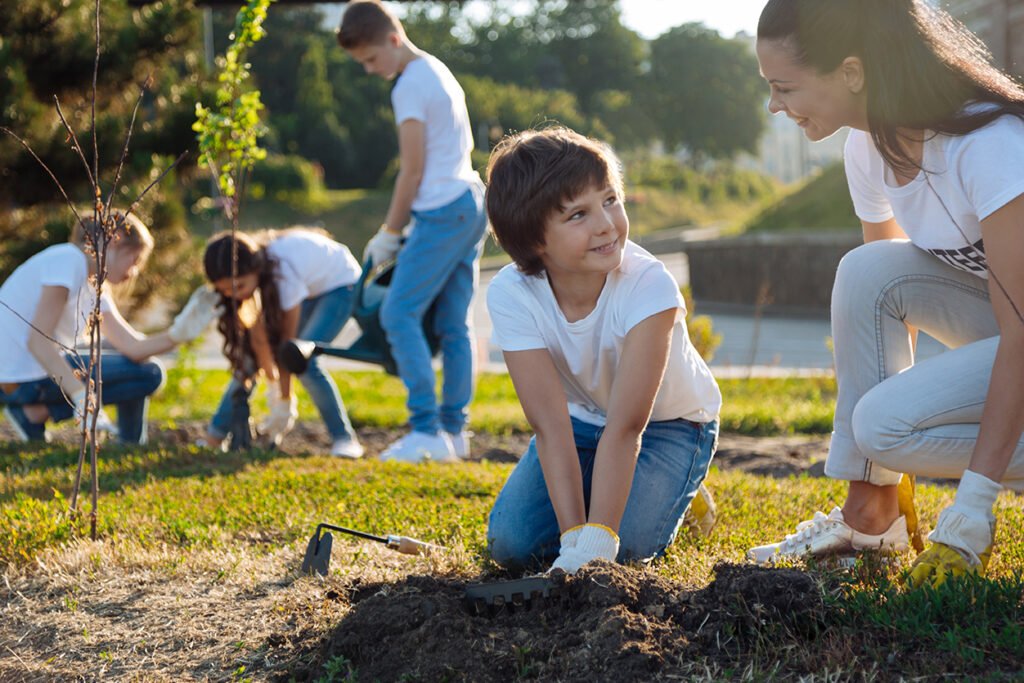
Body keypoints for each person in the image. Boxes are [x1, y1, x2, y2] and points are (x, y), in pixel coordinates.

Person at [747, 0, 1024, 587]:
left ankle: (936, 495)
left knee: (883, 425)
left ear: (852, 72)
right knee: (867, 268)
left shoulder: (990, 144)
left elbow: (1021, 328)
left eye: (784, 87)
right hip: (1006, 331)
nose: (775, 105)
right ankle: (872, 517)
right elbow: (883, 296)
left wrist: (971, 507)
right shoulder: (868, 149)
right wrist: (889, 448)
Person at [483, 127, 722, 573]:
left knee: (624, 550)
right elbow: (551, 426)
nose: (606, 224)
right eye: (578, 215)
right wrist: (574, 538)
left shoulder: (649, 286)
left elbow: (628, 426)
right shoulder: (512, 293)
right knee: (511, 546)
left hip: (670, 425)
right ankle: (607, 492)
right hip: (581, 423)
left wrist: (594, 545)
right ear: (534, 240)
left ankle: (682, 488)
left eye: (610, 200)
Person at [337, 0, 488, 463]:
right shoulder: (440, 71)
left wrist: (390, 231)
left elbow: (412, 170)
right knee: (453, 323)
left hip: (441, 210)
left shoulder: (409, 85)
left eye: (370, 59)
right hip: (471, 202)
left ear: (393, 40)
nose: (368, 70)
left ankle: (426, 432)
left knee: (398, 314)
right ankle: (453, 431)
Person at [0, 211, 219, 444]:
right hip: (18, 379)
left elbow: (133, 347)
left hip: (32, 376)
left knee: (145, 368)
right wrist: (80, 394)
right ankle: (37, 413)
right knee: (149, 373)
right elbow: (38, 342)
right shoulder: (68, 260)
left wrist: (179, 333)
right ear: (115, 241)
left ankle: (40, 415)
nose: (134, 272)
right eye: (135, 260)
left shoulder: (93, 284)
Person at [200, 228, 365, 457]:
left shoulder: (281, 274)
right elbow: (259, 343)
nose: (233, 295)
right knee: (247, 361)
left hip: (341, 285)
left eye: (239, 286)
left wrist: (284, 401)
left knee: (305, 362)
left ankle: (344, 439)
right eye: (225, 290)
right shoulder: (255, 282)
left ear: (254, 270)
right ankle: (214, 437)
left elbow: (287, 347)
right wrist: (272, 386)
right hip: (309, 287)